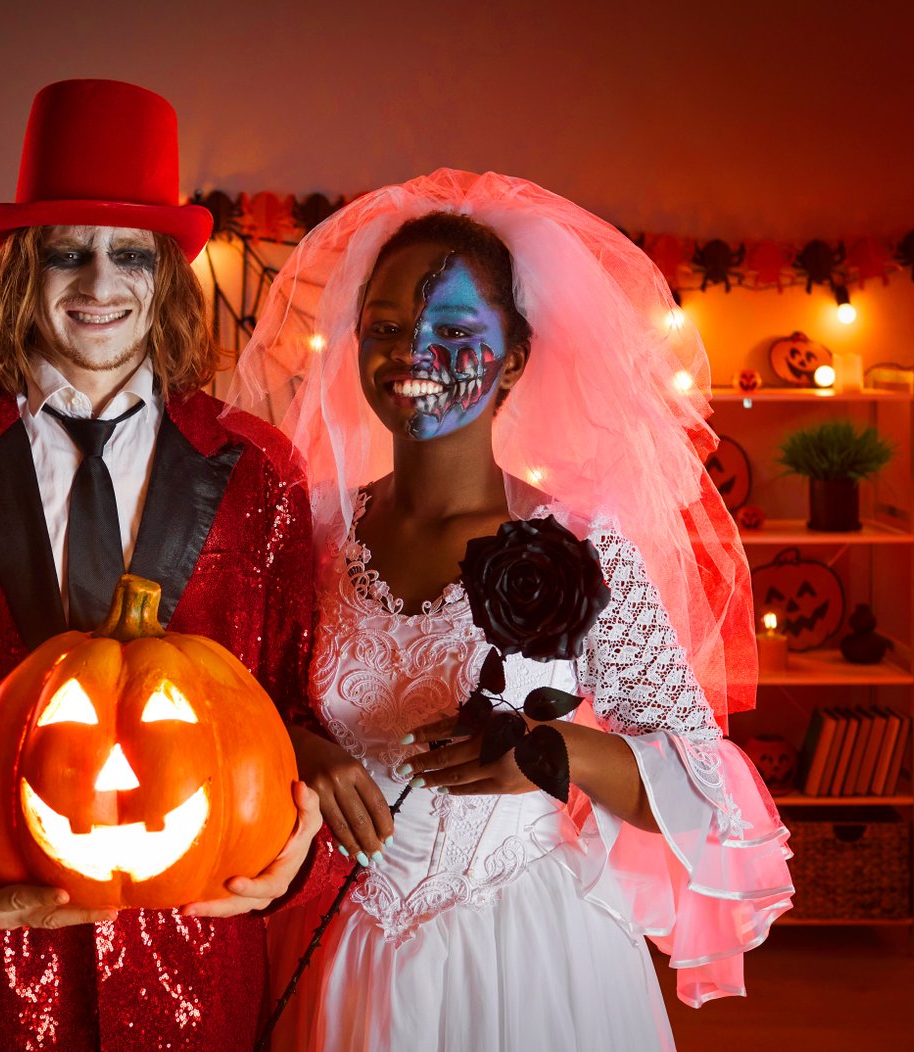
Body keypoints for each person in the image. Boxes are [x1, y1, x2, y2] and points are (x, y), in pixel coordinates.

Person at [0, 79, 335, 1052]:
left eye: (130, 253)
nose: (99, 283)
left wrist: (300, 852)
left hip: (198, 962)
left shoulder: (260, 469)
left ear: (169, 274)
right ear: (21, 268)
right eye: (68, 252)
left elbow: (299, 711)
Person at [230, 170, 794, 1050]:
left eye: (454, 330)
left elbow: (701, 789)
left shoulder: (579, 547)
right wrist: (303, 749)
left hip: (530, 954)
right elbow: (234, 703)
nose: (413, 353)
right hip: (336, 946)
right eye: (385, 328)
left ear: (515, 360)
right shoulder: (308, 535)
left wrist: (559, 753)